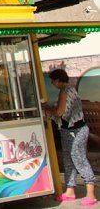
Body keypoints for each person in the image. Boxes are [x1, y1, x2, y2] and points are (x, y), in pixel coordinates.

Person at [42, 69, 96, 206]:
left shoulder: (65, 91)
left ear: (59, 80)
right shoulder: (70, 89)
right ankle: (70, 191)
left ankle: (91, 194)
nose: (53, 83)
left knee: (78, 159)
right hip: (70, 130)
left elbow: (59, 112)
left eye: (53, 80)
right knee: (69, 160)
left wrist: (47, 110)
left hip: (75, 131)